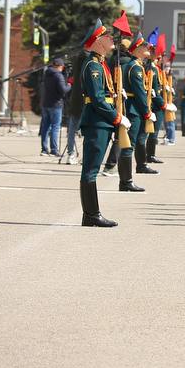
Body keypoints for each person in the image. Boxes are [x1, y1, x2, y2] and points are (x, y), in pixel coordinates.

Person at [76, 20, 126, 228]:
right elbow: (97, 99)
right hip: (98, 122)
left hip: (102, 122)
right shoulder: (93, 65)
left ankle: (91, 214)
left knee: (92, 168)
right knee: (90, 169)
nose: (111, 39)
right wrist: (116, 117)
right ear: (97, 41)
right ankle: (91, 214)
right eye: (107, 36)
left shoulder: (100, 63)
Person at [117, 35, 154, 192]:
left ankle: (126, 181)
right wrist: (146, 112)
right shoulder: (136, 67)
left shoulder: (136, 65)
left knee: (130, 145)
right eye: (145, 46)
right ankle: (126, 182)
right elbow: (139, 93)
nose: (148, 49)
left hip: (134, 109)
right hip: (134, 110)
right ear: (138, 48)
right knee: (128, 146)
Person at [39, 58, 70, 156]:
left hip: (46, 103)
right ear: (60, 66)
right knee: (55, 127)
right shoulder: (58, 76)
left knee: (45, 127)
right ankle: (54, 150)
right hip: (56, 105)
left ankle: (44, 149)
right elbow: (63, 90)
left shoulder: (47, 74)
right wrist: (69, 85)